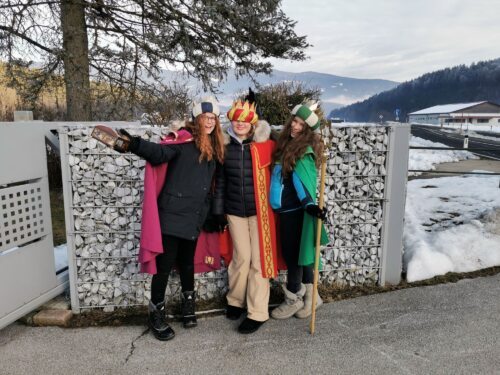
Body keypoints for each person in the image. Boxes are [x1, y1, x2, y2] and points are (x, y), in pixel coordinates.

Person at [102, 98, 225, 340]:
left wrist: (211, 212)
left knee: (188, 262)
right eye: (205, 117)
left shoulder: (215, 147)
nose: (209, 122)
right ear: (196, 119)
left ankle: (187, 305)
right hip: (172, 213)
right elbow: (158, 153)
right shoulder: (181, 141)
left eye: (213, 118)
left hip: (194, 215)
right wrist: (134, 144)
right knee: (165, 267)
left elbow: (210, 185)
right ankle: (156, 313)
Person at [213, 96, 281, 334]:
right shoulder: (224, 147)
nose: (239, 124)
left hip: (260, 213)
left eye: (244, 120)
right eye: (235, 120)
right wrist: (218, 210)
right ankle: (235, 300)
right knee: (240, 257)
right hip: (234, 212)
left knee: (259, 261)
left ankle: (258, 312)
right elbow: (220, 181)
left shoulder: (266, 146)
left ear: (253, 124)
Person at [269, 102, 329, 320]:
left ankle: (293, 298)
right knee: (300, 254)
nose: (295, 126)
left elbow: (300, 182)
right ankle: (313, 298)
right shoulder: (287, 142)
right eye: (294, 121)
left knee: (294, 256)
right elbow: (275, 137)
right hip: (286, 210)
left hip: (296, 210)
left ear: (307, 130)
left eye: (301, 125)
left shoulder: (303, 151)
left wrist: (309, 204)